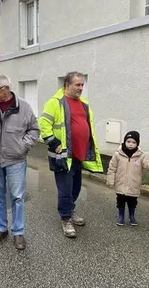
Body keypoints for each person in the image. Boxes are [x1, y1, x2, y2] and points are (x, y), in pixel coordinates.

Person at [0, 74, 39, 251]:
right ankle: (1, 228)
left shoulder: (23, 107)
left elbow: (34, 130)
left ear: (6, 89)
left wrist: (22, 146)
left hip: (16, 160)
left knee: (17, 197)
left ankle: (18, 231)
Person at [39, 71, 103, 238]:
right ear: (67, 85)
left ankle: (70, 211)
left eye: (82, 85)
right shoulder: (56, 102)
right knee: (65, 189)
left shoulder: (84, 103)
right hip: (63, 155)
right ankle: (66, 218)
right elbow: (43, 122)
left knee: (75, 187)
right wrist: (53, 142)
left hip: (78, 155)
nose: (81, 88)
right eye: (77, 84)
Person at [106, 131, 149, 226]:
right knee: (120, 201)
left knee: (132, 202)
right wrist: (110, 180)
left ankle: (132, 216)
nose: (130, 144)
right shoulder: (118, 154)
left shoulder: (141, 156)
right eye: (128, 141)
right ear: (124, 142)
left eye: (133, 142)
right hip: (120, 184)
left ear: (137, 143)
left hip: (133, 185)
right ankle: (121, 216)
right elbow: (112, 168)